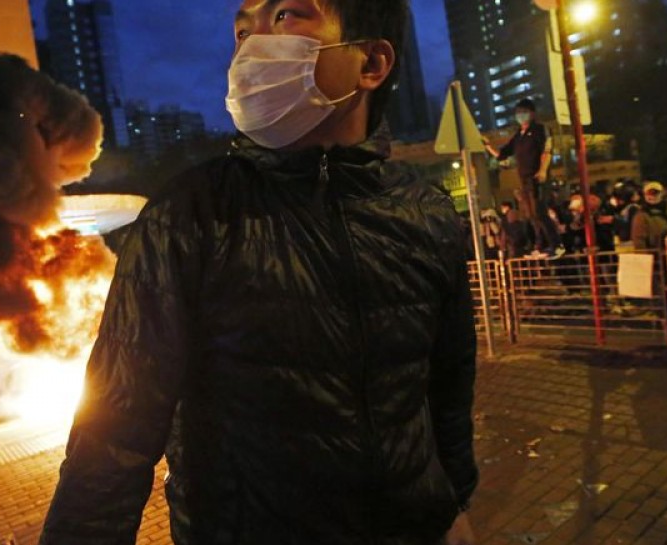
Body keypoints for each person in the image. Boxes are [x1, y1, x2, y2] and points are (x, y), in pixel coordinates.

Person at [39, 2, 479, 544]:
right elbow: (113, 432)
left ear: (371, 64)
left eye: (286, 16)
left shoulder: (426, 214)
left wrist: (452, 503)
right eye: (243, 29)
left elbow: (448, 387)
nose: (251, 45)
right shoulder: (190, 217)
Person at [486, 98, 562, 259]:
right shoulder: (519, 136)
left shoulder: (540, 130)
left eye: (524, 112)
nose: (520, 115)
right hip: (524, 179)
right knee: (531, 215)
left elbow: (547, 151)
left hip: (537, 177)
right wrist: (487, 146)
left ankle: (557, 245)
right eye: (518, 112)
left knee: (540, 212)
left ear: (532, 113)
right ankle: (541, 246)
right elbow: (502, 154)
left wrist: (542, 171)